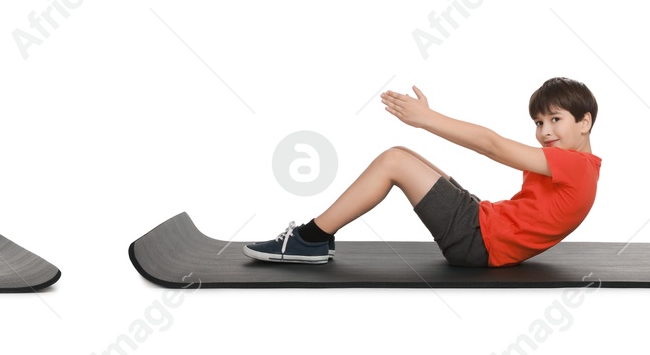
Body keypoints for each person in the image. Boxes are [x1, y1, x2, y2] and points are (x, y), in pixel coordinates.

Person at [244, 78, 599, 268]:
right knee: (402, 154)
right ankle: (321, 236)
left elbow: (492, 145)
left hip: (478, 242)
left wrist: (427, 119)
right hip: (484, 223)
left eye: (556, 120)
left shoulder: (575, 165)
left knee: (392, 163)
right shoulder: (577, 165)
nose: (545, 131)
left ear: (585, 123)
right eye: (539, 122)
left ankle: (308, 239)